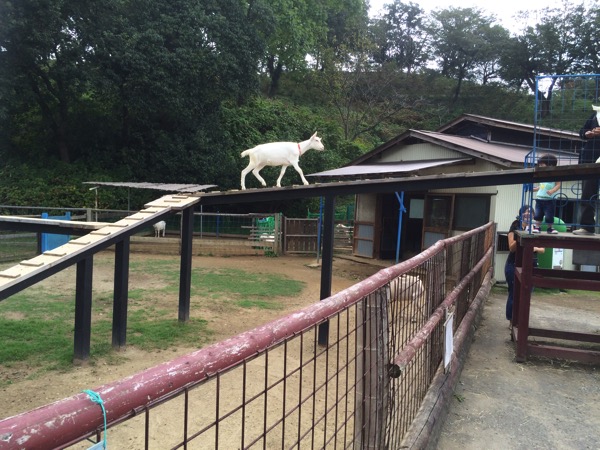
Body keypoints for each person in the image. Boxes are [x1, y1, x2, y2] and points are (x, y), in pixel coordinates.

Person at [505, 205, 545, 322]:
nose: (528, 215)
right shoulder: (515, 226)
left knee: (527, 295)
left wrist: (534, 248)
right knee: (514, 293)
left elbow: (542, 249)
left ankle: (522, 320)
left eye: (531, 213)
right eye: (526, 212)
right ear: (521, 214)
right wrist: (523, 239)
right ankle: (512, 320)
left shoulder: (536, 227)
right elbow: (511, 247)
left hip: (531, 264)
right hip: (514, 263)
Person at [574, 105, 600, 235]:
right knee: (587, 193)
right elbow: (582, 131)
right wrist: (587, 133)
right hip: (591, 158)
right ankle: (587, 227)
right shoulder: (595, 115)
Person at [532, 154, 561, 234]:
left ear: (550, 165)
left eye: (542, 164)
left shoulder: (555, 174)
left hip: (549, 199)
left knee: (549, 215)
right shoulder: (543, 175)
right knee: (538, 215)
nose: (540, 166)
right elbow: (542, 186)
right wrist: (535, 189)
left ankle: (550, 228)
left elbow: (558, 184)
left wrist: (552, 190)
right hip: (539, 198)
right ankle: (537, 227)